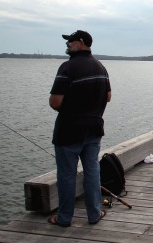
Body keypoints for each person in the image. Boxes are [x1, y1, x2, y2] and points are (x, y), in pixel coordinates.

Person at [47, 30, 111, 227]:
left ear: (81, 43)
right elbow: (108, 97)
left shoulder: (67, 67)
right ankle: (94, 214)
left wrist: (73, 105)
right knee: (92, 172)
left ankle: (64, 218)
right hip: (94, 129)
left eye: (71, 41)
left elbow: (55, 102)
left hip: (69, 131)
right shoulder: (101, 67)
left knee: (66, 175)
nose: (68, 44)